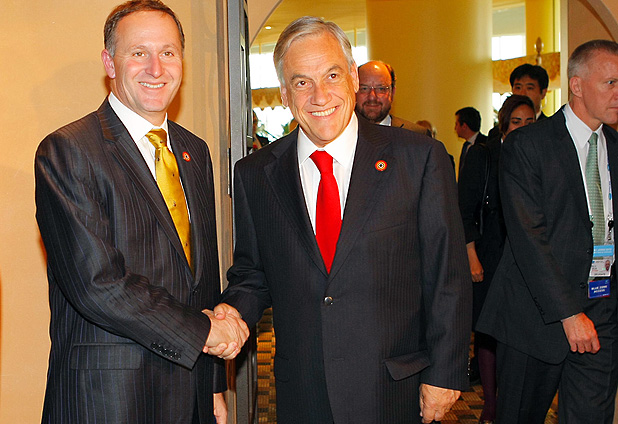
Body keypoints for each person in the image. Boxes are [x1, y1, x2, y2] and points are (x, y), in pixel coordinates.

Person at [218, 16, 471, 424]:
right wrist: (230, 314)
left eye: (332, 75)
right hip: (304, 391)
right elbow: (253, 274)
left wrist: (445, 372)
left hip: (393, 389)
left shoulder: (419, 158)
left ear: (353, 77)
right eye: (302, 82)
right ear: (284, 93)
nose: (320, 95)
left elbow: (447, 274)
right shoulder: (256, 174)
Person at [35, 1, 249, 423]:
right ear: (109, 63)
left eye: (168, 52)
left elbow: (201, 280)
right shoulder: (68, 151)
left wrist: (212, 386)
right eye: (139, 52)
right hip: (109, 401)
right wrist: (205, 332)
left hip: (190, 396)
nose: (156, 68)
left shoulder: (194, 151)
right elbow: (97, 284)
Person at [477, 39, 618, 423]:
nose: (617, 93)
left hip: (602, 308)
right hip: (536, 315)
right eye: (610, 83)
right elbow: (528, 237)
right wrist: (568, 313)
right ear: (577, 85)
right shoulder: (528, 145)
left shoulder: (614, 146)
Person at [458, 94, 535, 424]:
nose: (522, 128)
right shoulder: (484, 155)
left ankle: (512, 402)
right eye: (516, 122)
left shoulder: (538, 155)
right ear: (504, 124)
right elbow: (463, 209)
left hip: (525, 257)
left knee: (518, 333)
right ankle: (491, 404)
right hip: (488, 255)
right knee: (488, 332)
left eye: (529, 122)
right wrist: (471, 256)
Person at [355, 60, 429, 135]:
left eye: (381, 89)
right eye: (364, 89)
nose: (372, 97)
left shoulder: (417, 134)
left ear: (392, 92)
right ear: (354, 92)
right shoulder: (347, 134)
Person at [455, 107, 487, 175]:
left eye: (456, 124)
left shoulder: (485, 145)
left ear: (464, 126)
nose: (455, 128)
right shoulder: (466, 146)